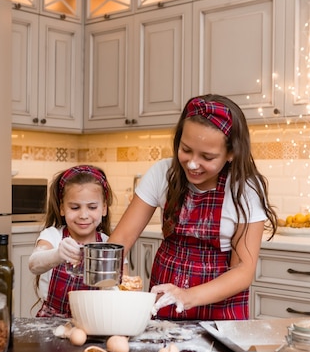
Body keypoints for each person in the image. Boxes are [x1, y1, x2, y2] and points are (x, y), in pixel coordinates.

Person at [108, 94, 278, 320]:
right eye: (186, 150)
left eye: (207, 156)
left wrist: (187, 296)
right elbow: (119, 243)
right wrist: (119, 287)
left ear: (231, 153)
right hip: (165, 301)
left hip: (221, 309)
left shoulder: (245, 188)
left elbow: (243, 271)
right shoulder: (162, 174)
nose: (193, 163)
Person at [28, 165, 114, 318]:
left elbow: (124, 286)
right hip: (51, 324)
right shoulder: (53, 236)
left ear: (104, 208)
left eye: (92, 207)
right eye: (75, 207)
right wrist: (57, 255)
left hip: (95, 320)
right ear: (62, 208)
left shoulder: (109, 244)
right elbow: (34, 264)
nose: (83, 215)